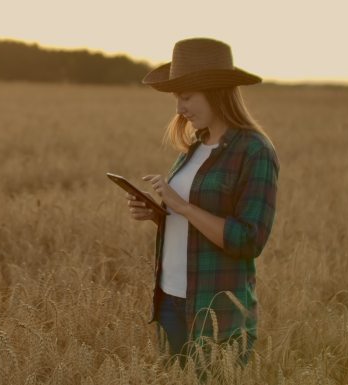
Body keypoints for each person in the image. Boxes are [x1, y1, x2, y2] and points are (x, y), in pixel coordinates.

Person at [125, 38, 279, 370]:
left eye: (186, 97)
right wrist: (160, 215)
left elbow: (249, 239)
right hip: (170, 299)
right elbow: (191, 220)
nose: (179, 109)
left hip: (216, 309)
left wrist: (182, 207)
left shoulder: (255, 152)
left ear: (216, 91)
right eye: (176, 99)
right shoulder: (196, 146)